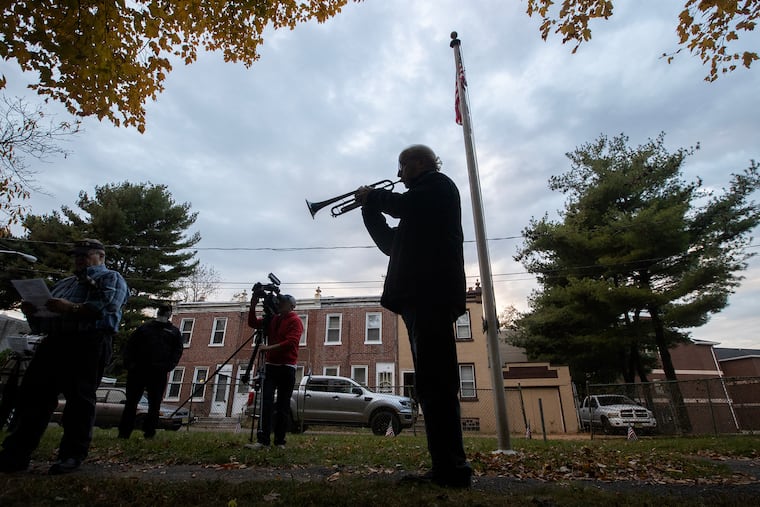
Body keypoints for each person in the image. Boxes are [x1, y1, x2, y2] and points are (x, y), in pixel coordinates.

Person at [356, 144, 472, 488]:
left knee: (437, 383)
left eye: (401, 167)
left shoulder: (437, 186)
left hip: (430, 293)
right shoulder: (417, 208)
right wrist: (368, 211)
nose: (397, 175)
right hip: (418, 296)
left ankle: (452, 469)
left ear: (419, 163)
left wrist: (374, 196)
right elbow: (390, 244)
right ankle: (446, 468)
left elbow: (403, 205)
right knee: (431, 383)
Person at [0, 238, 129, 474]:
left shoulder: (109, 278)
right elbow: (40, 325)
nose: (79, 259)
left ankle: (71, 456)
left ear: (100, 256)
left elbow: (106, 307)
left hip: (89, 342)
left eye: (85, 254)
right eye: (76, 255)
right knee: (33, 398)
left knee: (79, 400)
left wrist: (70, 308)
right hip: (54, 342)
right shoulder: (64, 284)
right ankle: (14, 455)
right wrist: (32, 312)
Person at [245, 290, 303, 449]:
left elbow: (291, 343)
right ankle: (263, 440)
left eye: (283, 302)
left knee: (283, 406)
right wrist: (252, 304)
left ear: (291, 306)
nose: (279, 303)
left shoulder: (295, 320)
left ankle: (279, 441)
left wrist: (268, 347)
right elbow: (253, 323)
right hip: (270, 367)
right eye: (279, 301)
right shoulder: (273, 319)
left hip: (287, 367)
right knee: (266, 403)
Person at [118, 303, 183, 440]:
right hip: (138, 371)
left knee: (155, 404)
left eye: (167, 311)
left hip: (158, 372)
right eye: (163, 310)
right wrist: (130, 365)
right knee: (131, 403)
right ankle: (124, 433)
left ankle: (149, 432)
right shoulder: (145, 328)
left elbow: (177, 351)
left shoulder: (173, 332)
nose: (165, 313)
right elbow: (130, 346)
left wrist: (169, 365)